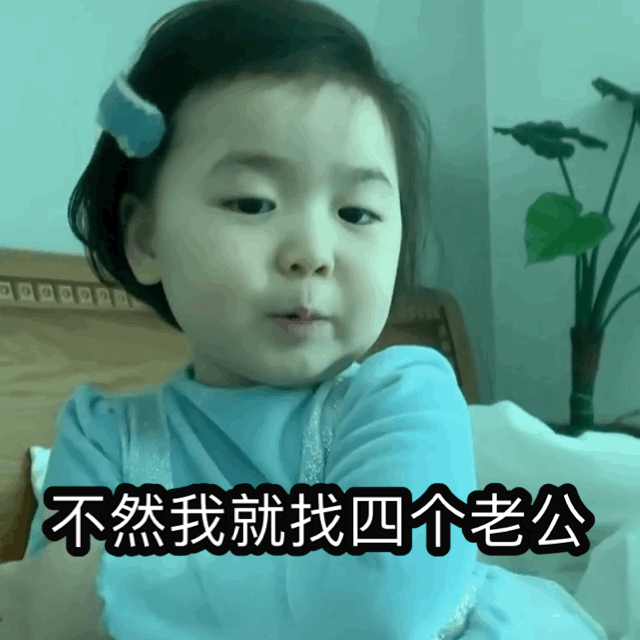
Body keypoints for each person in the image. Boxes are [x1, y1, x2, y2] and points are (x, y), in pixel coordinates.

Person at [25, 1, 608, 638]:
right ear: (146, 238)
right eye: (253, 202)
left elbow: (384, 602)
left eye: (356, 214)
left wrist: (109, 593)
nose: (311, 253)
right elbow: (46, 612)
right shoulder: (105, 439)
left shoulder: (401, 398)